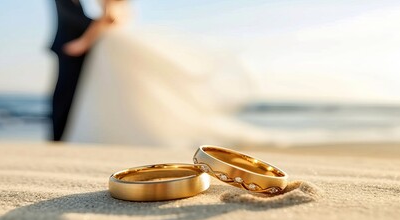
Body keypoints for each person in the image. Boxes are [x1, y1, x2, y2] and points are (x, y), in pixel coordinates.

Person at [64, 0, 277, 148]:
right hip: (114, 43)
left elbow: (109, 18)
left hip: (110, 43)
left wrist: (84, 43)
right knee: (131, 94)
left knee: (118, 94)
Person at [50, 0, 92, 141]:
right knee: (64, 93)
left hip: (79, 49)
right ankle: (58, 136)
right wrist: (97, 26)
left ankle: (62, 136)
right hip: (70, 49)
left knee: (74, 95)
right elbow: (71, 18)